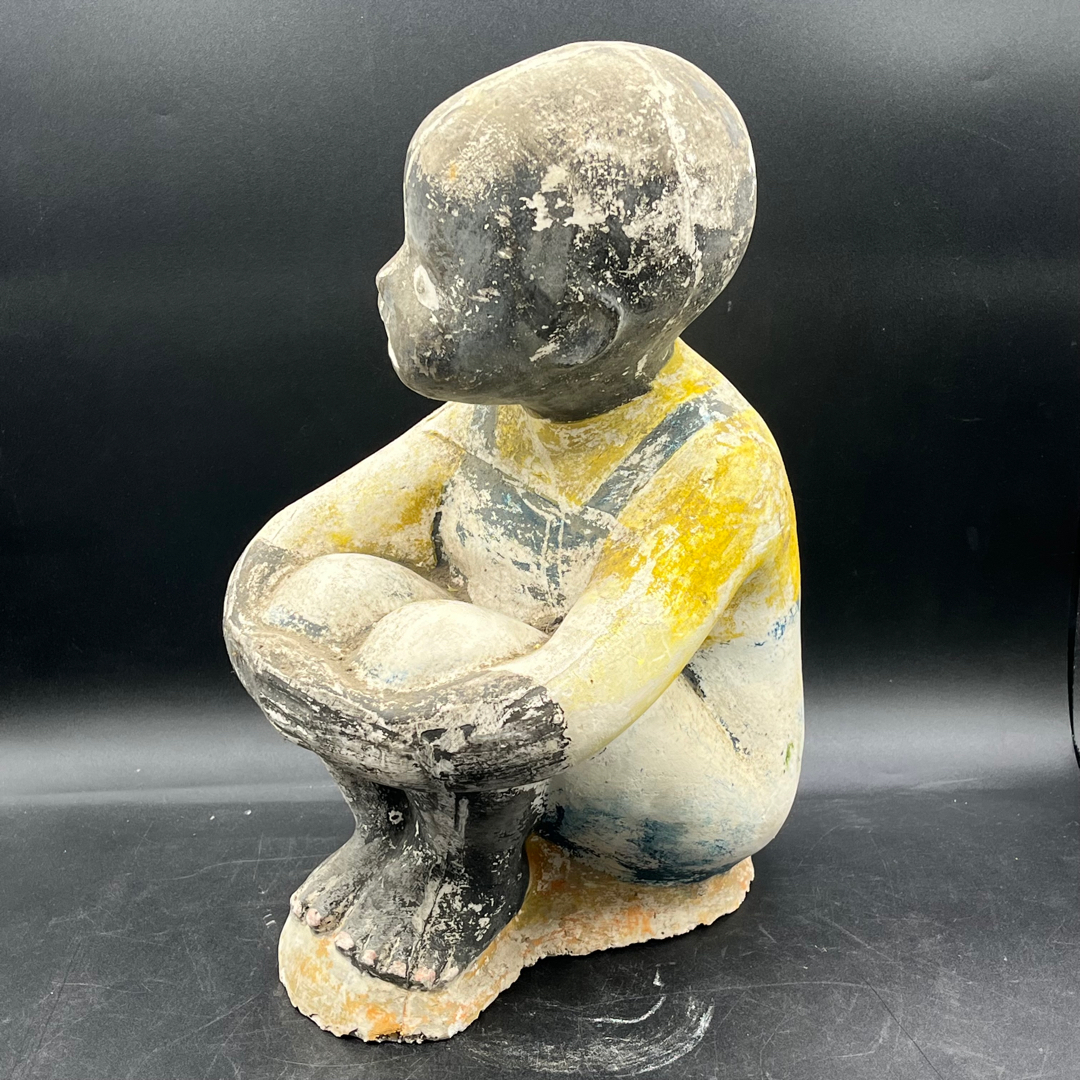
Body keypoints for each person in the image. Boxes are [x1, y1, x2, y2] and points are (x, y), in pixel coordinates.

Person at [224, 40, 802, 992]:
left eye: (433, 268)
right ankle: (398, 841)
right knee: (327, 595)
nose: (386, 279)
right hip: (495, 714)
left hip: (688, 790)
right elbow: (301, 544)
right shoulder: (506, 406)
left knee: (430, 643)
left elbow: (572, 696)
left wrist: (354, 713)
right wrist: (266, 623)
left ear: (574, 331)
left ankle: (471, 872)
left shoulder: (716, 470)